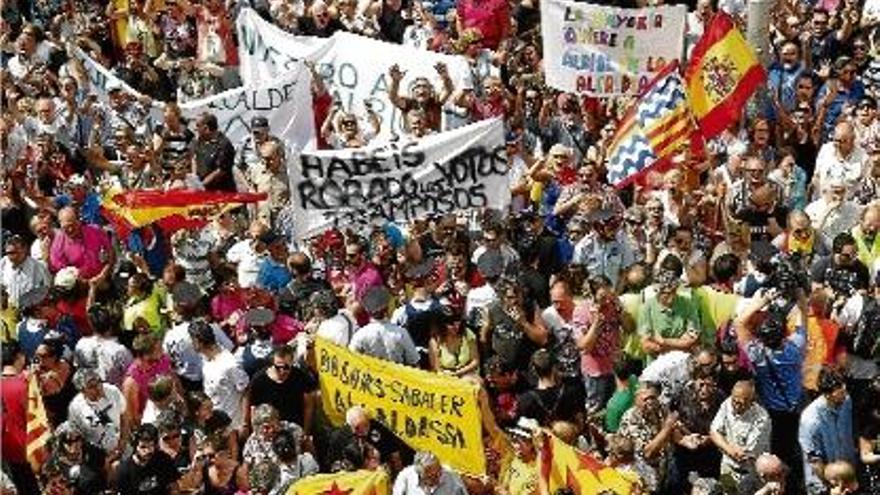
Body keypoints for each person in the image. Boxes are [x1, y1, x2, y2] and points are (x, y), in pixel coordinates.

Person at [799, 367, 856, 494]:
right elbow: (815, 461)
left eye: (844, 390)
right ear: (827, 395)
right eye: (840, 393)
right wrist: (831, 488)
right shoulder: (811, 420)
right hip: (823, 483)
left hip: (846, 476)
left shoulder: (846, 401)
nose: (844, 395)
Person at [709, 380, 772, 494]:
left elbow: (743, 454)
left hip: (752, 473)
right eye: (734, 401)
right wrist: (729, 449)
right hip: (727, 469)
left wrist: (723, 444)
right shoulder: (727, 404)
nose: (736, 406)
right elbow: (713, 432)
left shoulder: (762, 419)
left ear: (751, 401)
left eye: (741, 403)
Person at [242, 346, 316, 433]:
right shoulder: (259, 380)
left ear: (292, 363)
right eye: (278, 367)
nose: (282, 371)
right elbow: (253, 408)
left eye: (286, 367)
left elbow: (309, 405)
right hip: (269, 432)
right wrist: (256, 432)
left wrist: (306, 431)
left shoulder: (300, 377)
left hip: (294, 430)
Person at [0, 341, 39, 494]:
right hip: (28, 448)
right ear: (20, 357)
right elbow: (37, 418)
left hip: (6, 448)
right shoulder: (25, 385)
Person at [115, 423, 180, 495]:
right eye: (143, 447)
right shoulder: (125, 470)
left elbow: (174, 486)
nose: (147, 451)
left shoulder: (164, 460)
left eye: (151, 446)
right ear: (135, 447)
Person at [392, 451, 467, 495]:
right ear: (420, 475)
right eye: (432, 476)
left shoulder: (451, 476)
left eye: (439, 472)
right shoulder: (405, 476)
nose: (438, 478)